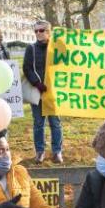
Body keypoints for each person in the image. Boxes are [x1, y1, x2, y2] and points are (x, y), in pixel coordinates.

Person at [23, 20, 63, 164]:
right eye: (36, 31)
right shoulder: (30, 49)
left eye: (41, 30)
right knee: (38, 123)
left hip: (53, 93)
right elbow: (26, 68)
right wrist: (37, 83)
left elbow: (65, 63)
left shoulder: (56, 48)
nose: (38, 33)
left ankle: (57, 152)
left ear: (49, 32)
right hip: (37, 92)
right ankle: (40, 152)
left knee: (55, 123)